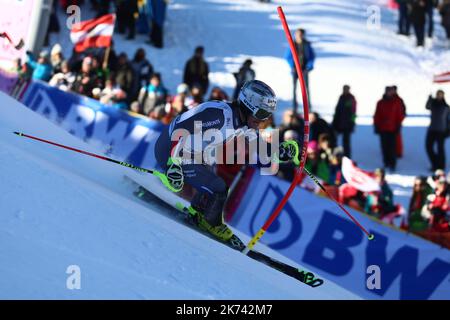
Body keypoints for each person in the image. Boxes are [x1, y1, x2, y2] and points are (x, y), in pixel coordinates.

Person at [153, 80, 301, 241]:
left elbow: (258, 144)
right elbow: (180, 130)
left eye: (267, 115)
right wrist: (172, 164)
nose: (263, 120)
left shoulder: (242, 121)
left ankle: (200, 213)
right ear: (248, 105)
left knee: (212, 179)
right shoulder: (220, 115)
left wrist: (281, 151)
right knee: (219, 189)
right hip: (170, 151)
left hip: (192, 156)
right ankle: (211, 223)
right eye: (261, 114)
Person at [373, 86, 405, 172]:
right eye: (388, 91)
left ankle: (392, 164)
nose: (389, 93)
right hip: (383, 128)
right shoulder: (380, 102)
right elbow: (377, 115)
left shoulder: (396, 102)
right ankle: (386, 162)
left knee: (392, 147)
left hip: (393, 129)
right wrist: (376, 126)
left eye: (391, 91)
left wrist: (398, 126)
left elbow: (400, 115)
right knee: (384, 146)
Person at [285, 28, 315, 112]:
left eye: (301, 34)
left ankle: (308, 108)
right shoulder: (292, 44)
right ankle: (295, 107)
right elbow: (288, 56)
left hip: (304, 70)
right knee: (294, 88)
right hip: (295, 70)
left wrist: (309, 67)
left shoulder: (307, 45)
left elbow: (311, 57)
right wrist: (292, 66)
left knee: (306, 88)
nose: (300, 36)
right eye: (298, 34)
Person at [425, 90, 450, 171]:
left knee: (440, 149)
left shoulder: (446, 107)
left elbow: (448, 120)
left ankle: (441, 166)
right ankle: (435, 163)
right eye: (438, 94)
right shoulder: (433, 104)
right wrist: (429, 98)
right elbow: (427, 106)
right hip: (432, 129)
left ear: (443, 96)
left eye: (440, 95)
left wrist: (448, 131)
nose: (439, 96)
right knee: (428, 146)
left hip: (441, 131)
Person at [332, 85, 357, 158]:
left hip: (347, 124)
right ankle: (336, 155)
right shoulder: (341, 97)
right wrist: (335, 121)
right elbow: (337, 110)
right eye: (344, 89)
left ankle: (347, 157)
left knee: (346, 142)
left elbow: (353, 112)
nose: (345, 90)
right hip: (338, 123)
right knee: (334, 140)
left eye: (346, 89)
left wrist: (352, 123)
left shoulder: (351, 98)